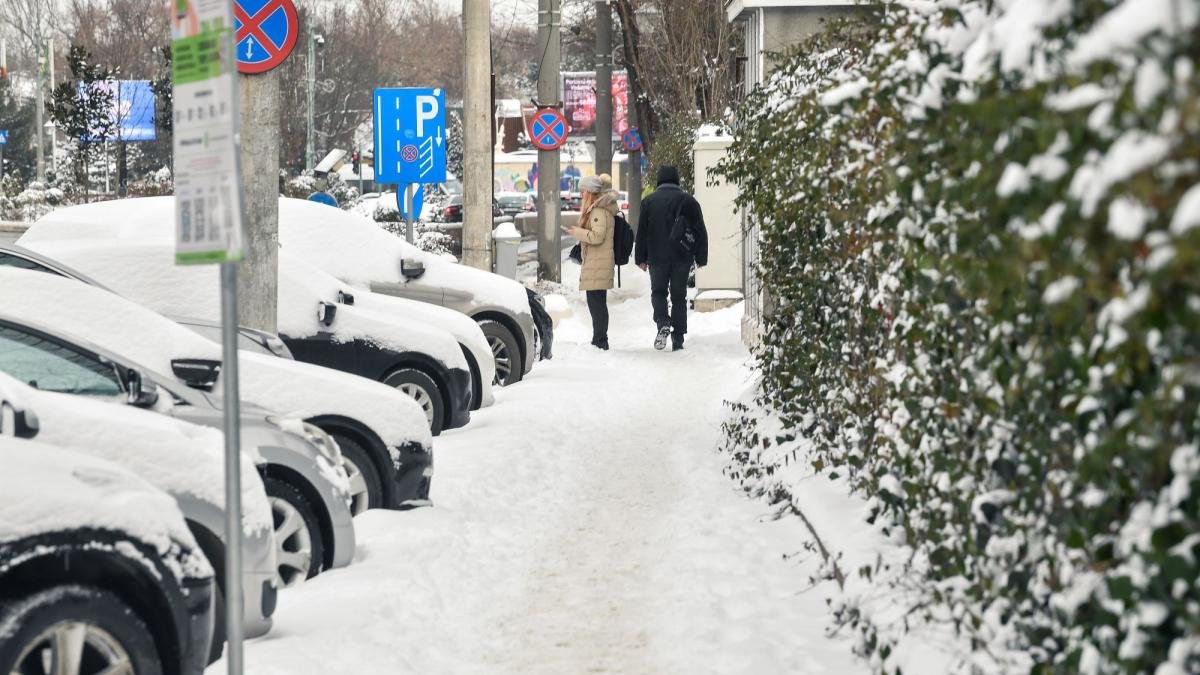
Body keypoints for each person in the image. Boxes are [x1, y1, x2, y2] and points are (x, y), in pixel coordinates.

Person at [634, 165, 708, 351]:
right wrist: (701, 257)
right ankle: (678, 338)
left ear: (659, 180)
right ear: (677, 180)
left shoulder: (649, 201)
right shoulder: (689, 201)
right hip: (682, 257)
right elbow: (700, 230)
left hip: (656, 257)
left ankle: (662, 322)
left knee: (658, 293)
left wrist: (640, 258)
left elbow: (641, 231)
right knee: (679, 296)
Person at [564, 173, 620, 350]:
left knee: (597, 305)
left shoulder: (598, 211)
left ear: (589, 192)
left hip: (598, 264)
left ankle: (600, 341)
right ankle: (599, 339)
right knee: (597, 303)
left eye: (583, 192)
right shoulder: (600, 209)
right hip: (597, 263)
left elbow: (597, 236)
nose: (581, 195)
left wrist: (577, 233)